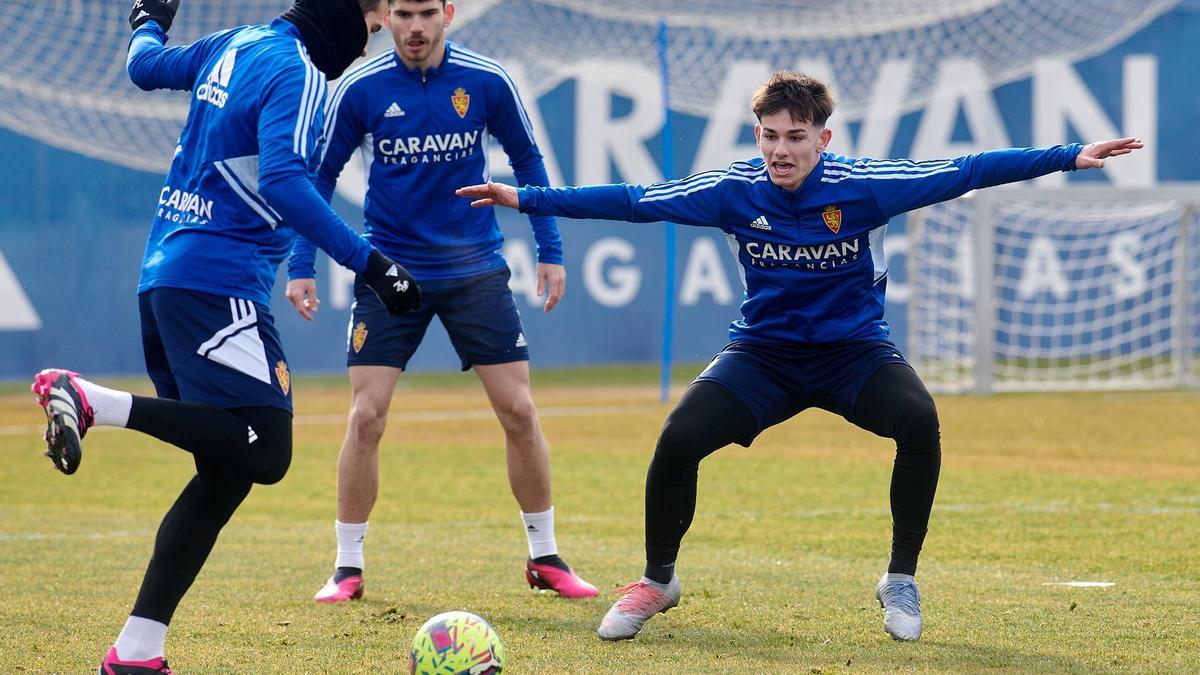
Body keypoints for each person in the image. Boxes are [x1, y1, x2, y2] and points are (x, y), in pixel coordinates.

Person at [458, 71, 1144, 642]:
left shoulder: (864, 186)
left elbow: (965, 170)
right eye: (770, 136)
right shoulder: (733, 190)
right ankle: (657, 581)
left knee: (918, 419)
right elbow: (636, 200)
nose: (781, 150)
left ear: (823, 138)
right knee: (677, 438)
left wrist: (1067, 155)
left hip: (854, 353)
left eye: (795, 137)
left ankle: (899, 578)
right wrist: (526, 198)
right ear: (757, 134)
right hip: (763, 354)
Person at [31, 0, 422, 671]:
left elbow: (145, 67)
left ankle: (136, 651)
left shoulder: (235, 42)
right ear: (337, 16)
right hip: (219, 282)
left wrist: (147, 18)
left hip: (165, 277)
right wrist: (375, 264)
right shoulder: (297, 73)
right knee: (265, 451)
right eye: (373, 17)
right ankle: (91, 399)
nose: (376, 34)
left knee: (225, 472)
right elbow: (285, 185)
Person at [284, 0, 595, 603]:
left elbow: (529, 163)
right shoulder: (359, 87)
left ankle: (545, 557)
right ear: (388, 17)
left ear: (449, 13)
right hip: (391, 271)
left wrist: (550, 246)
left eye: (428, 12)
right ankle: (347, 567)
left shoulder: (486, 79)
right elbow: (317, 179)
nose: (416, 27)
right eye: (403, 14)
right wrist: (301, 265)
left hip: (475, 268)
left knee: (520, 412)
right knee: (366, 416)